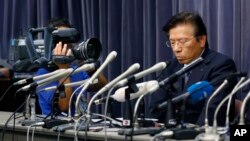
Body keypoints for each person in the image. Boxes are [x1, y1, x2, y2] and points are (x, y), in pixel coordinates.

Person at [149, 12, 237, 127]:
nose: (176, 49)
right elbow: (155, 108)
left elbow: (212, 113)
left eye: (182, 41)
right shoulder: (171, 66)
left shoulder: (221, 65)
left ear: (201, 40)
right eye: (172, 42)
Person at [36, 18, 108, 116]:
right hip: (58, 127)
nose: (66, 44)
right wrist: (63, 69)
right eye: (61, 39)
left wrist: (91, 69)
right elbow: (64, 106)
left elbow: (102, 85)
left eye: (68, 38)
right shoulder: (44, 73)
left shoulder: (75, 69)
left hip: (81, 125)